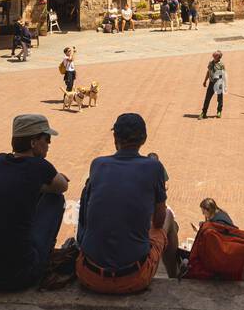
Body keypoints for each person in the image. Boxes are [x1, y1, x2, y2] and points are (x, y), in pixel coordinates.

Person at [76, 113, 178, 294]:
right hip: (132, 278)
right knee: (169, 218)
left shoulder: (97, 164)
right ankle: (175, 277)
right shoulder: (154, 167)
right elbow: (159, 221)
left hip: (87, 273)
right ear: (144, 139)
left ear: (115, 138)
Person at [0, 113, 68, 291]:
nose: (49, 144)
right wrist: (42, 185)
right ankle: (45, 255)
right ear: (33, 143)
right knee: (55, 199)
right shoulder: (39, 166)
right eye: (46, 139)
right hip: (18, 276)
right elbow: (62, 186)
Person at [201, 50, 226, 119]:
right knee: (207, 98)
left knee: (219, 98)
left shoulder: (221, 65)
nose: (214, 55)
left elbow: (223, 75)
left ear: (219, 57)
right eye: (214, 54)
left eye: (215, 54)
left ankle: (219, 111)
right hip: (211, 83)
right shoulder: (210, 63)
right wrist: (205, 80)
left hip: (218, 83)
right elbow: (208, 72)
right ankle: (204, 112)